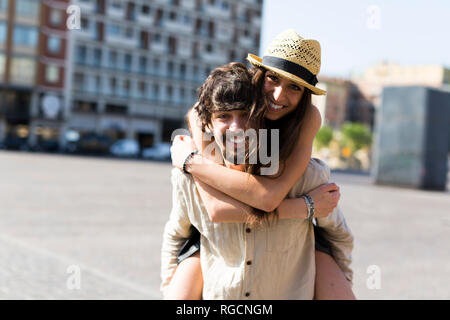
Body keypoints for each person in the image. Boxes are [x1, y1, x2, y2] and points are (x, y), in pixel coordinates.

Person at [162, 30, 354, 299]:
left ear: (305, 95)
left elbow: (267, 198)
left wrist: (190, 162)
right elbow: (213, 211)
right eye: (273, 79)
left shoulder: (307, 125)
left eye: (294, 87)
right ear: (259, 75)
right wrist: (194, 160)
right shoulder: (221, 110)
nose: (278, 95)